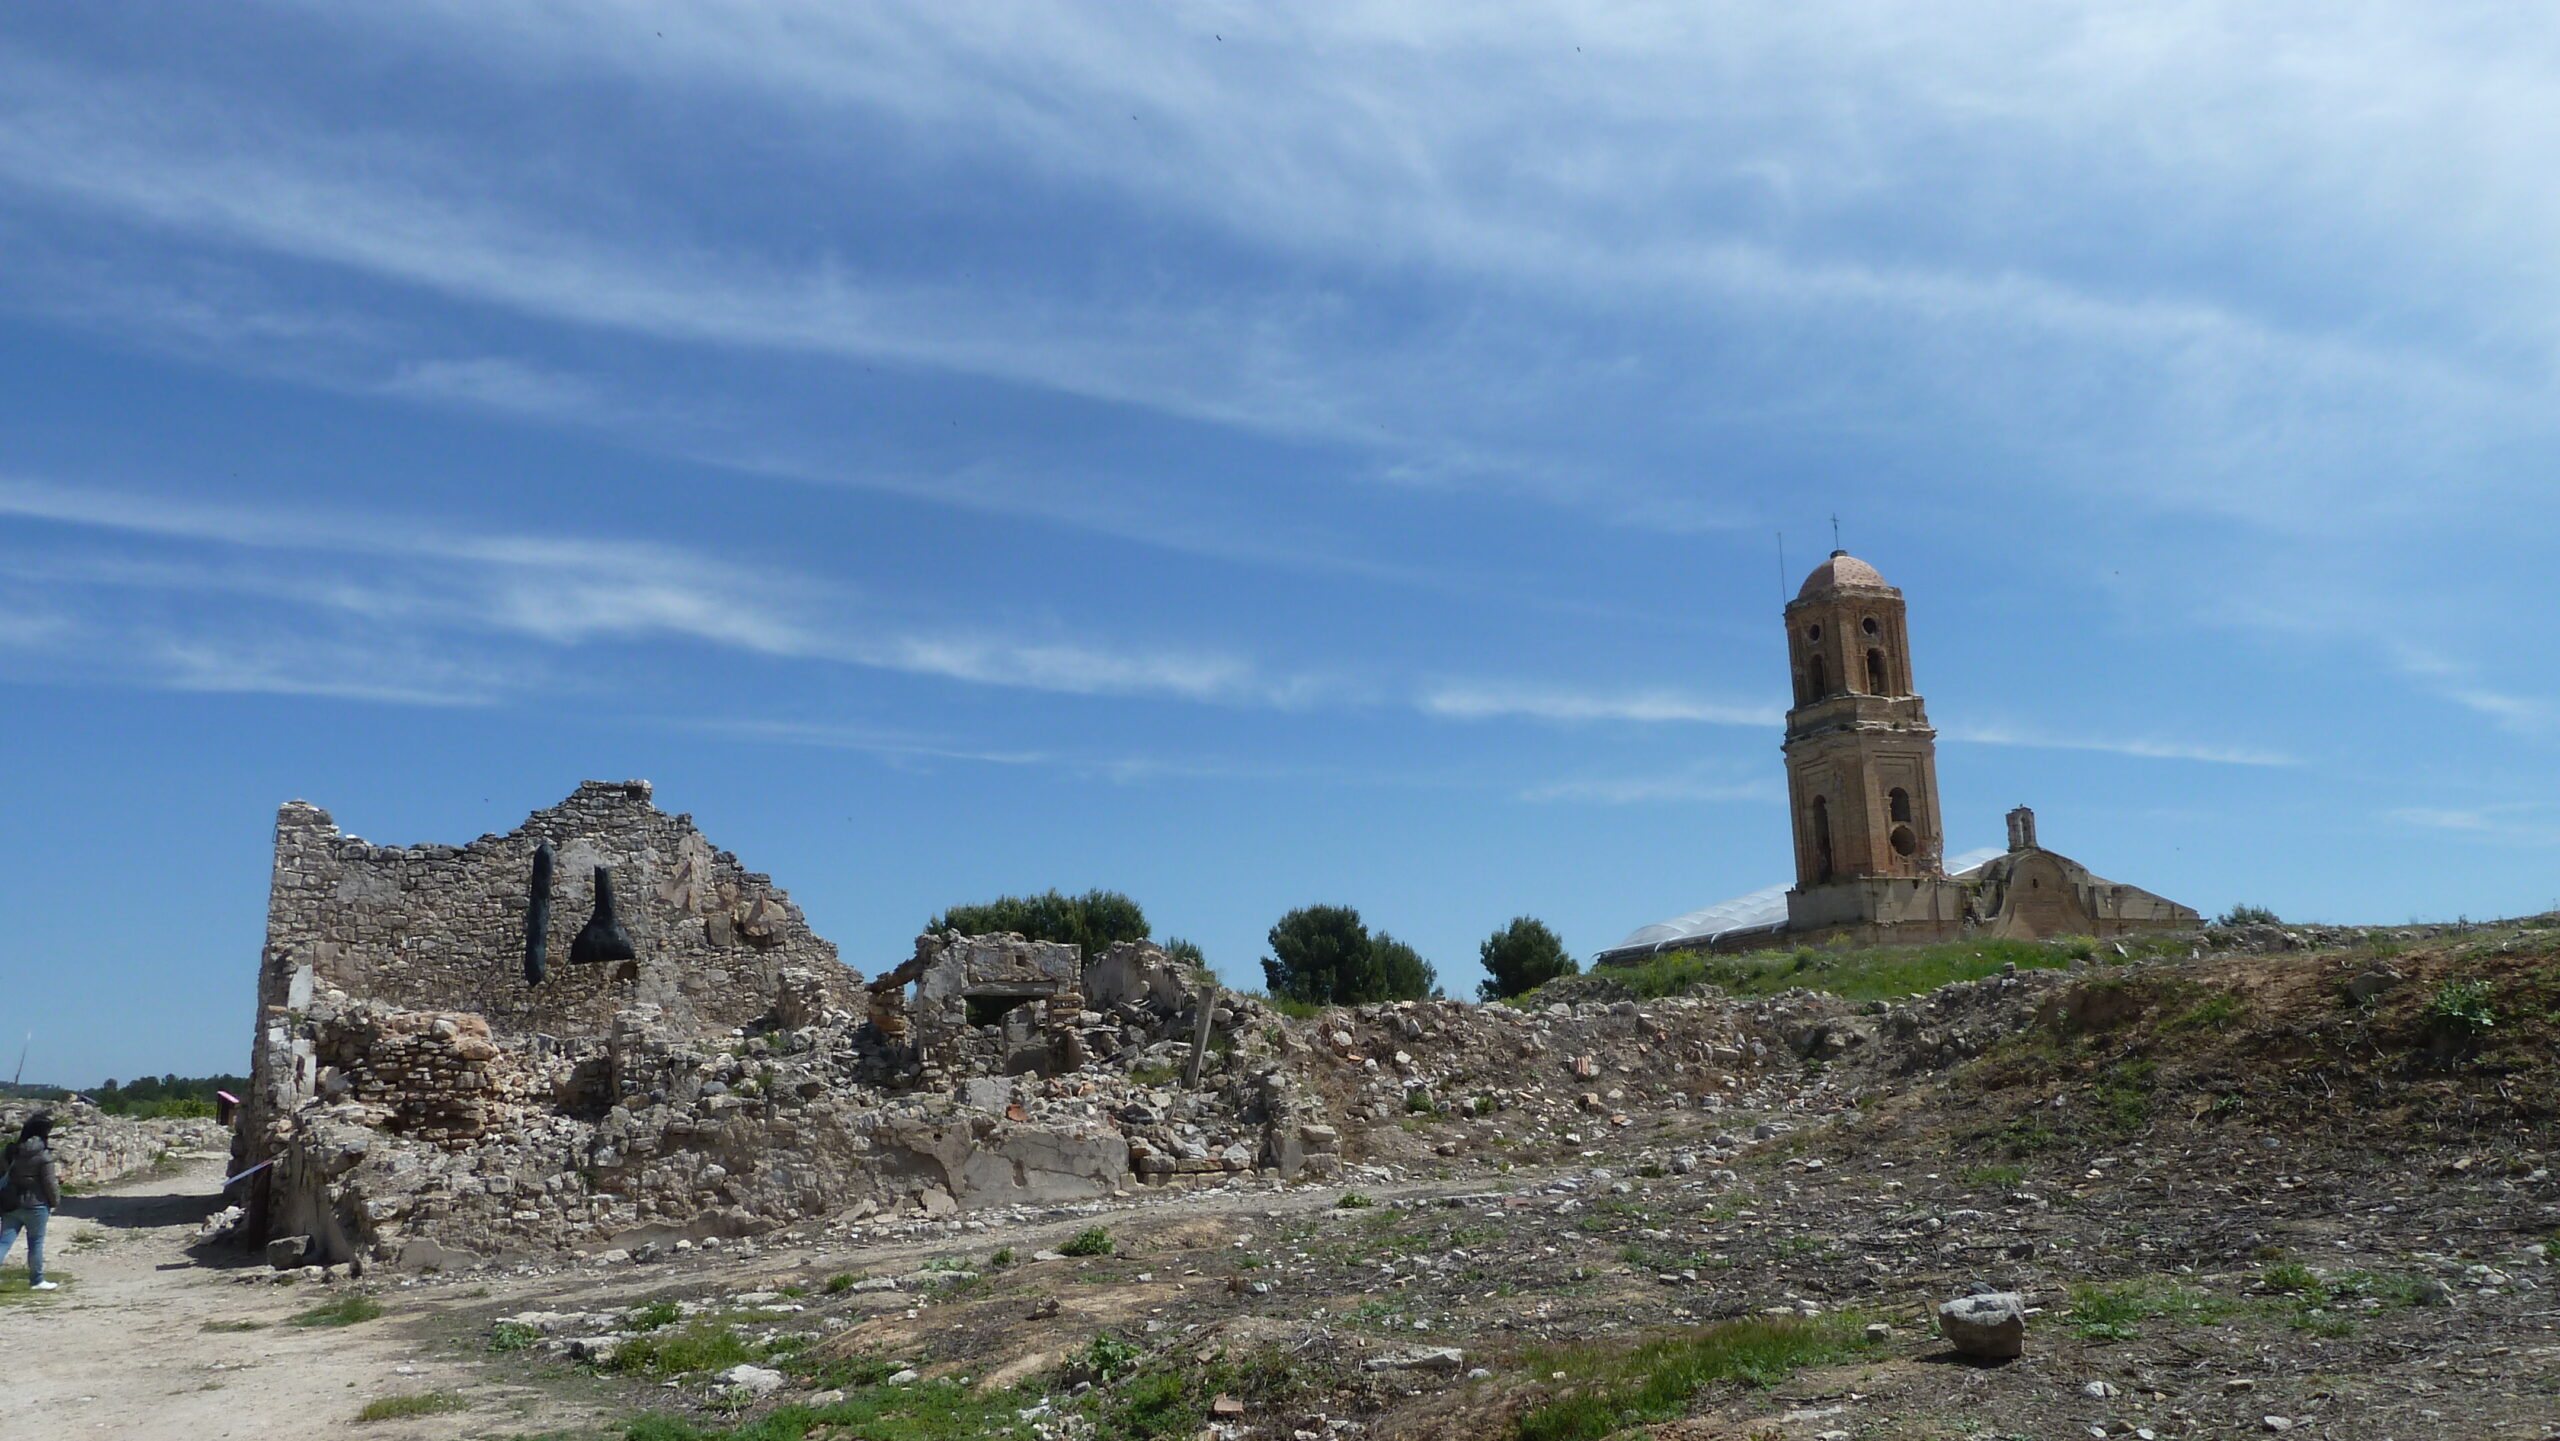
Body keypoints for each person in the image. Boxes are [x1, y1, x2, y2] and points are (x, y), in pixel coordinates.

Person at [0, 1112, 63, 1291]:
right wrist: (54, 1202)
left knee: (3, 1242)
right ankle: (37, 1280)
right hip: (37, 1205)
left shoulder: (10, 1151)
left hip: (11, 1204)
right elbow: (50, 1184)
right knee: (35, 1243)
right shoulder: (44, 1156)